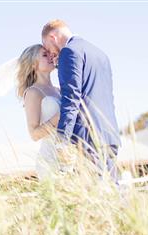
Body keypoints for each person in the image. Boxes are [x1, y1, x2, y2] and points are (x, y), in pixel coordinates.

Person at [41, 19, 121, 181]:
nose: (51, 53)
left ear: (52, 37)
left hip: (87, 138)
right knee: (112, 192)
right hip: (109, 134)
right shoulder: (100, 54)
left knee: (94, 197)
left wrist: (62, 141)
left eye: (47, 47)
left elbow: (71, 99)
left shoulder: (69, 52)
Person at [16, 44, 71, 180]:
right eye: (45, 55)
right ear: (33, 64)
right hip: (50, 161)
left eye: (50, 54)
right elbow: (34, 134)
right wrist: (60, 116)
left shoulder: (59, 90)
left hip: (69, 156)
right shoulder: (33, 92)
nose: (51, 57)